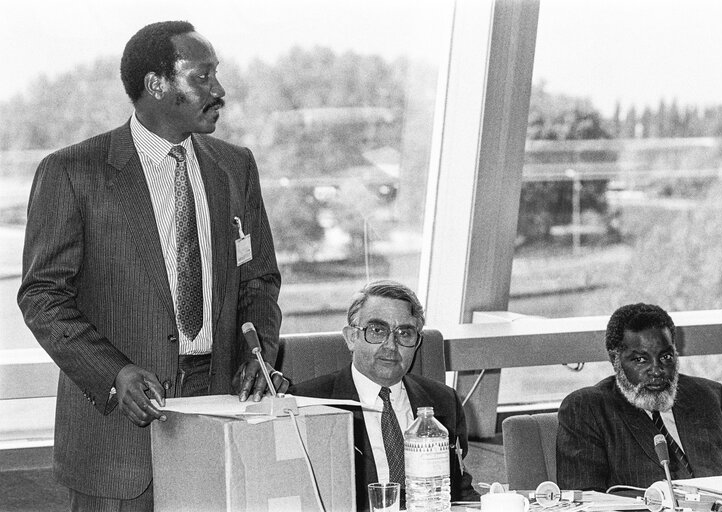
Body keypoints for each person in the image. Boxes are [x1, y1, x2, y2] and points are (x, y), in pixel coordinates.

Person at [17, 20, 286, 511]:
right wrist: (113, 372)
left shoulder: (236, 166)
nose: (219, 90)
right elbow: (41, 297)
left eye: (216, 76)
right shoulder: (72, 172)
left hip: (220, 420)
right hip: (117, 434)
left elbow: (259, 280)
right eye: (202, 77)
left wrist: (259, 353)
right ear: (156, 84)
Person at [289, 280, 479, 511]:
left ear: (417, 343)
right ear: (351, 338)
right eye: (377, 331)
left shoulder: (443, 401)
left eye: (404, 333)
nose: (391, 345)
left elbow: (459, 491)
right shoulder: (308, 404)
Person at [556, 303, 722, 492]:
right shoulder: (587, 409)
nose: (657, 370)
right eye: (640, 360)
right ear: (614, 359)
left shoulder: (709, 397)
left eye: (666, 357)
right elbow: (585, 501)